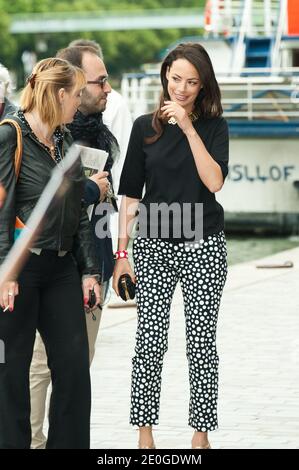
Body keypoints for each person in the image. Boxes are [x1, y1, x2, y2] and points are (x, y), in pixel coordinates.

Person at [113, 42, 229, 449]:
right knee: (150, 339)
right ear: (165, 76)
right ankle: (145, 437)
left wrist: (189, 127)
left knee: (201, 341)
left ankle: (200, 436)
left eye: (192, 83)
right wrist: (121, 256)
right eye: (176, 78)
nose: (181, 89)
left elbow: (214, 182)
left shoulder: (214, 126)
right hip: (153, 245)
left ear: (202, 87)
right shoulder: (144, 127)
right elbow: (129, 196)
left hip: (204, 244)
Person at [0, 57, 101, 449]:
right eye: (76, 95)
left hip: (60, 269)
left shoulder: (63, 142)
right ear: (59, 94)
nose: (80, 102)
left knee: (74, 370)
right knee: (11, 373)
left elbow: (76, 214)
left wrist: (89, 269)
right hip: (20, 270)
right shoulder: (11, 135)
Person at [29, 45, 119, 449]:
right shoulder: (43, 136)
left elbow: (102, 212)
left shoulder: (103, 134)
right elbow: (37, 203)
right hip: (45, 271)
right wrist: (88, 188)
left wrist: (115, 260)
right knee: (38, 367)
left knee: (76, 370)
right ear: (71, 87)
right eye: (98, 81)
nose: (106, 88)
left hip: (89, 267)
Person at [68, 38, 133, 251]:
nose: (108, 89)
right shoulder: (50, 132)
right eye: (101, 80)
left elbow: (123, 174)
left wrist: (118, 248)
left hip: (102, 236)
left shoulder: (108, 116)